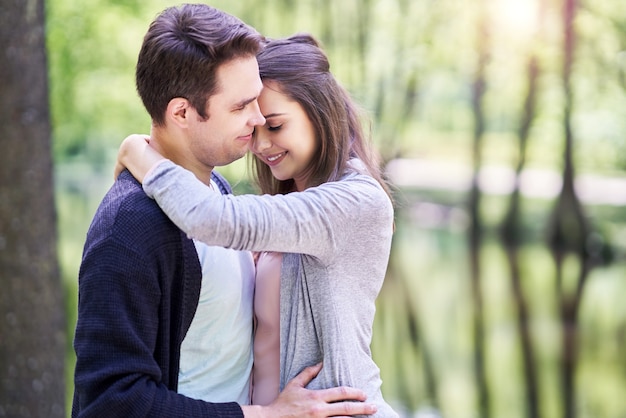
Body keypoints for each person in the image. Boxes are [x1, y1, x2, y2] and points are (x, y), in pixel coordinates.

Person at [72, 4, 377, 418]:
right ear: (181, 112)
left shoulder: (219, 194)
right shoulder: (129, 228)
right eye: (241, 107)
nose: (255, 123)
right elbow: (110, 403)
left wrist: (135, 151)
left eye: (266, 113)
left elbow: (213, 223)